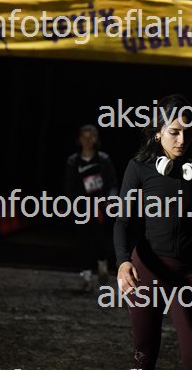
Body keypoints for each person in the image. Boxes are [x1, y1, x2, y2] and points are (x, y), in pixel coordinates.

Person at [114, 94, 192, 370]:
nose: (182, 140)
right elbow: (122, 221)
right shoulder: (138, 168)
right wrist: (122, 262)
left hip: (189, 272)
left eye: (187, 132)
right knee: (144, 355)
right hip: (147, 270)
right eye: (174, 132)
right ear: (158, 133)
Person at [65, 124, 118, 290]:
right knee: (83, 241)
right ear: (79, 139)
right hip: (81, 207)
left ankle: (102, 265)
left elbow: (112, 183)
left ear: (96, 139)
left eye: (91, 137)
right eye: (84, 137)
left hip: (99, 207)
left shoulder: (103, 159)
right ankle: (87, 278)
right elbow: (69, 186)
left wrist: (110, 200)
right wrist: (70, 204)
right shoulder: (73, 161)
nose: (87, 141)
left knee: (99, 240)